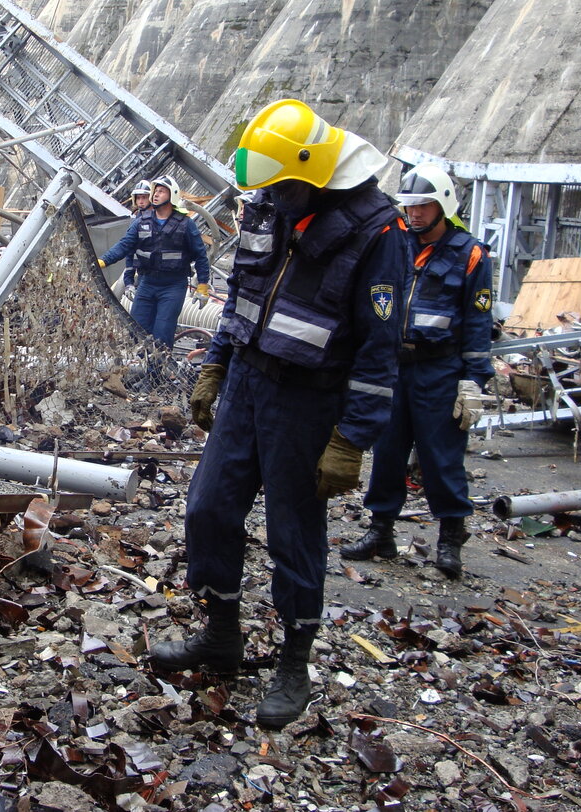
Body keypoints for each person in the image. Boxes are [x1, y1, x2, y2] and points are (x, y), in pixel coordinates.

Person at [151, 99, 407, 729]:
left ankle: (294, 661)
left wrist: (351, 439)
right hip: (246, 382)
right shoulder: (271, 199)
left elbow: (381, 350)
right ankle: (222, 634)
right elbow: (244, 288)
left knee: (295, 533)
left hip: (309, 400)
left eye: (281, 187)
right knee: (209, 508)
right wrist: (215, 366)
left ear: (312, 173)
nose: (270, 197)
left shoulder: (380, 233)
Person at [340, 164, 493, 579]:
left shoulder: (470, 253)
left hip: (439, 370)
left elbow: (478, 321)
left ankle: (449, 541)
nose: (415, 213)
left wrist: (474, 380)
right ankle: (381, 532)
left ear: (443, 204)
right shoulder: (395, 244)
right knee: (387, 454)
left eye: (424, 205)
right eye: (409, 205)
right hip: (393, 368)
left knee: (441, 459)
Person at [98, 175, 211, 346]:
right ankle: (141, 370)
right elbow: (124, 245)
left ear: (172, 196)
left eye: (161, 191)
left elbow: (200, 255)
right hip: (147, 283)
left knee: (162, 334)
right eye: (155, 191)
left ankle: (158, 370)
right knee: (137, 330)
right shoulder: (141, 221)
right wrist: (103, 261)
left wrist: (203, 285)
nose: (156, 195)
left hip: (173, 286)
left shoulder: (185, 224)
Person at [122, 180, 152, 292]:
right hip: (143, 274)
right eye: (138, 198)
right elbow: (130, 251)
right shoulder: (136, 221)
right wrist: (129, 282)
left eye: (144, 197)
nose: (141, 201)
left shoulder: (162, 219)